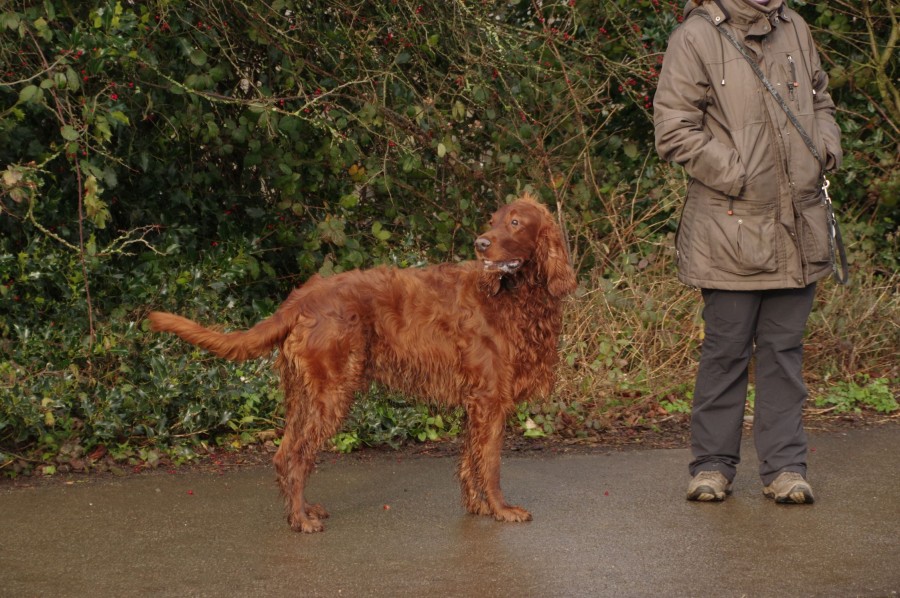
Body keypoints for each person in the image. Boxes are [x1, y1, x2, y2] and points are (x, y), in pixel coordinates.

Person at [653, 0, 842, 503]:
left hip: (799, 224)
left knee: (784, 354)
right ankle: (712, 466)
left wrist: (824, 149)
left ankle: (786, 468)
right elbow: (674, 128)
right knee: (726, 351)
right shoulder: (695, 36)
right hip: (729, 227)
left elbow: (821, 99)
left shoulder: (794, 26)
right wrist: (740, 174)